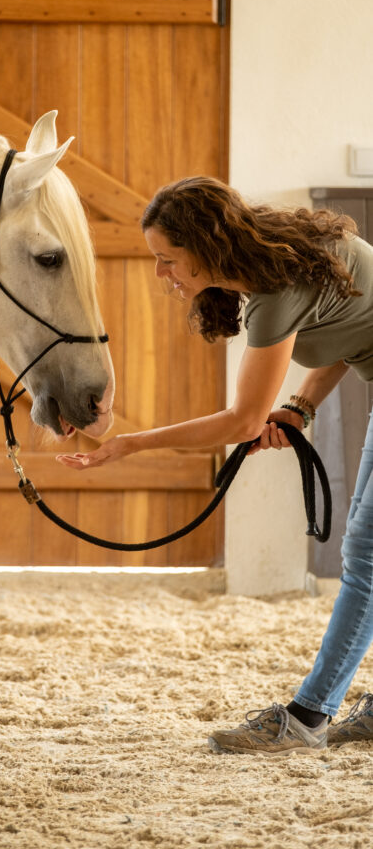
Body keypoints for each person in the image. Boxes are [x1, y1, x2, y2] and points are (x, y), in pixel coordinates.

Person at [58, 176, 373, 756]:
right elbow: (354, 330)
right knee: (368, 555)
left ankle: (307, 718)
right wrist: (301, 408)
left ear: (206, 247)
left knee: (366, 557)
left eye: (167, 258)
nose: (161, 273)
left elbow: (243, 422)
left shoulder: (277, 289)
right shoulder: (288, 262)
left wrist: (131, 444)